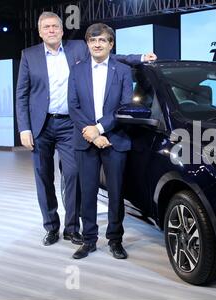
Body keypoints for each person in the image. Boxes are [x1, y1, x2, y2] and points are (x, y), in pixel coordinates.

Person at [16, 11, 157, 247]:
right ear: (40, 32)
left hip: (71, 124)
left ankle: (72, 228)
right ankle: (51, 226)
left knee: (72, 176)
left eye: (55, 26)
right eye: (46, 27)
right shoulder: (28, 56)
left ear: (62, 30)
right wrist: (24, 128)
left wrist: (141, 57)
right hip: (40, 125)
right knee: (43, 177)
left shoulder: (78, 48)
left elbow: (111, 57)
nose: (51, 30)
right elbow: (22, 95)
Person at [68, 23, 133, 259]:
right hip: (85, 140)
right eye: (92, 41)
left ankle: (115, 240)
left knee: (116, 193)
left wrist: (100, 129)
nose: (97, 44)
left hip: (114, 138)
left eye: (102, 40)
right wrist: (92, 133)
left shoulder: (123, 70)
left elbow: (124, 107)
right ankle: (89, 240)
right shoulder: (76, 70)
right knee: (87, 192)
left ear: (111, 44)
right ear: (87, 44)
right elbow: (73, 106)